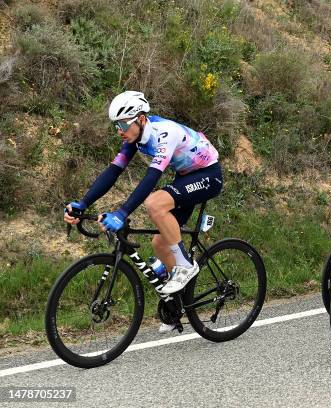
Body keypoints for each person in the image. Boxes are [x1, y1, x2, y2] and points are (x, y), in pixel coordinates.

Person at [63, 91, 223, 331]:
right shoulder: (133, 138)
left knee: (154, 203)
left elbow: (151, 178)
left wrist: (122, 212)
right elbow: (113, 172)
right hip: (185, 177)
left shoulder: (164, 133)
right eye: (115, 125)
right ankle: (177, 305)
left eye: (122, 124)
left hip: (208, 175)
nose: (119, 130)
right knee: (160, 243)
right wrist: (83, 203)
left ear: (140, 118)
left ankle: (186, 267)